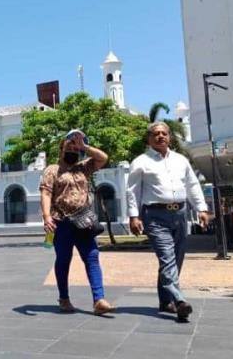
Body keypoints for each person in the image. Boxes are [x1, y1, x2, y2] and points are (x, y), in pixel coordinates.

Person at [126, 122, 211, 322]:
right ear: (149, 138)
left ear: (170, 137)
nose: (160, 137)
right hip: (155, 216)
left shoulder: (181, 160)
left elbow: (192, 185)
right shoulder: (141, 162)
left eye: (164, 133)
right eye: (156, 134)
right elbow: (132, 192)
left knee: (176, 258)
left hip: (180, 214)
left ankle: (165, 301)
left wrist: (202, 209)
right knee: (167, 257)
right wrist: (134, 216)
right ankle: (180, 300)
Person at [40, 129, 115, 315]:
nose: (73, 149)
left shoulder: (83, 167)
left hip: (83, 221)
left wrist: (85, 147)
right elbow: (46, 192)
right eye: (69, 146)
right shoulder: (52, 170)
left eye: (76, 147)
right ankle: (64, 298)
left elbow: (103, 158)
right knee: (64, 259)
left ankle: (99, 300)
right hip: (61, 222)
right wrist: (47, 217)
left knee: (92, 256)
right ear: (61, 149)